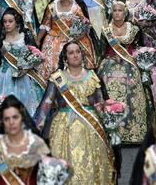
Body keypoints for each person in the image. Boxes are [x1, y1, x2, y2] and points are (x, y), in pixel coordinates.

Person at [34, 41, 116, 184]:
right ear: (65, 58)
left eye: (78, 51)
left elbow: (101, 103)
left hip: (91, 127)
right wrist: (34, 131)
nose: (75, 55)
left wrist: (111, 121)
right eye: (71, 53)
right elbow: (45, 106)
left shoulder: (93, 76)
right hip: (64, 128)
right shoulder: (57, 78)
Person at [97, 1, 154, 144]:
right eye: (115, 10)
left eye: (120, 10)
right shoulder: (106, 30)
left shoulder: (134, 29)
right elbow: (101, 51)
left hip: (130, 66)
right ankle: (111, 130)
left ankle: (132, 131)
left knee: (133, 93)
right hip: (109, 66)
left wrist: (143, 65)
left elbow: (140, 49)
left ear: (125, 12)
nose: (117, 13)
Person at [0, 95, 51, 185]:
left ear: (22, 118)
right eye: (7, 119)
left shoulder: (36, 144)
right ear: (2, 122)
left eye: (15, 117)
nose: (11, 122)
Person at [36, 0, 97, 80]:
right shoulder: (52, 6)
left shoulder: (76, 7)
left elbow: (84, 23)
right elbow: (45, 25)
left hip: (73, 38)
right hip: (54, 39)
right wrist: (38, 40)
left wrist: (77, 36)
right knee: (51, 65)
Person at [0, 8, 45, 117]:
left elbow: (34, 55)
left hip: (24, 78)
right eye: (4, 22)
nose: (7, 24)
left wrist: (25, 69)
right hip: (3, 77)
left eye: (10, 21)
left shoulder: (25, 36)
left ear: (17, 22)